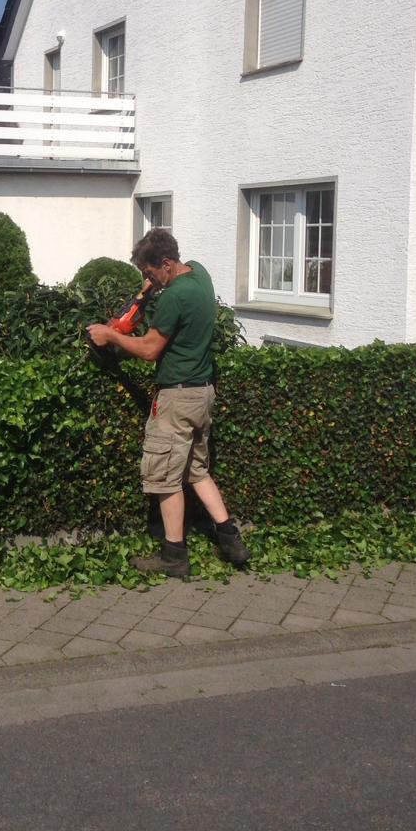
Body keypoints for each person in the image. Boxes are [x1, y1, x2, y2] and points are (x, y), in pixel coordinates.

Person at [86, 229, 249, 578]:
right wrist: (147, 291)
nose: (148, 281)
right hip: (203, 393)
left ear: (166, 263)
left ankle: (174, 556)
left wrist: (110, 333)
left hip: (176, 397)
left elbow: (148, 350)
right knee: (197, 470)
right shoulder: (199, 274)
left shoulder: (174, 298)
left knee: (164, 477)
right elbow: (169, 282)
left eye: (149, 273)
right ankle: (230, 539)